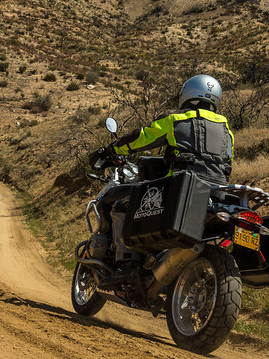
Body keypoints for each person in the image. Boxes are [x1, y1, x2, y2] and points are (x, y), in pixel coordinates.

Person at [92, 75, 235, 288]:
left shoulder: (177, 120)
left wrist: (110, 150)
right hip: (215, 191)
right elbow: (228, 165)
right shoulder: (227, 131)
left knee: (123, 207)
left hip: (179, 188)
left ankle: (128, 267)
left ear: (188, 94)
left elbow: (142, 137)